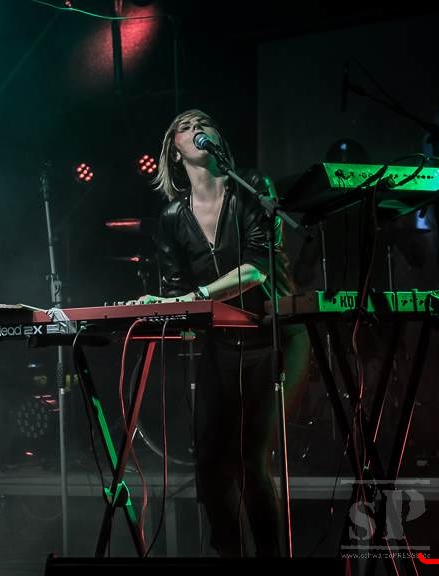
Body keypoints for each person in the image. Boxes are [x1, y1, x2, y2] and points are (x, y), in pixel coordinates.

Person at [130, 109, 308, 557]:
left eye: (203, 124)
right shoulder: (172, 217)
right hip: (223, 344)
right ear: (174, 152)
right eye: (185, 127)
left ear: (217, 139)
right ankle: (229, 555)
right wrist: (160, 304)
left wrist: (199, 295)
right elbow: (177, 292)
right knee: (209, 462)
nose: (196, 129)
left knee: (250, 458)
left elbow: (256, 267)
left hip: (274, 336)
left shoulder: (252, 188)